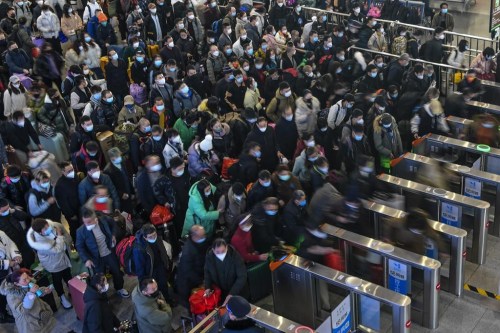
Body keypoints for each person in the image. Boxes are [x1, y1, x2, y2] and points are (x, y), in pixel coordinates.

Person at [76, 207, 130, 298]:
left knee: (117, 271)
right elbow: (79, 247)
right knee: (100, 277)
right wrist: (86, 259)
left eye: (89, 222)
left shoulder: (104, 220)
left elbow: (114, 225)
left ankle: (119, 288)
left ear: (95, 219)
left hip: (109, 252)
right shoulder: (80, 231)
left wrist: (113, 235)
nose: (86, 224)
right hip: (95, 258)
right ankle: (103, 296)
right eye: (85, 222)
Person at [26, 218, 73, 310]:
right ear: (40, 232)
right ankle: (62, 297)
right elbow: (57, 249)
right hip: (53, 264)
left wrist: (66, 240)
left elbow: (65, 235)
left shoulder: (53, 226)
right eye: (45, 228)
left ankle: (72, 291)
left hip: (63, 258)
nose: (48, 228)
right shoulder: (40, 244)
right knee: (57, 280)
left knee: (68, 275)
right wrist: (59, 236)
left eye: (47, 225)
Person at [0, 268, 56, 333]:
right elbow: (22, 310)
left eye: (27, 277)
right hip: (29, 323)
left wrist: (44, 290)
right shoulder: (11, 296)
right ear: (16, 283)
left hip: (40, 314)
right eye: (24, 280)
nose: (28, 280)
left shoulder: (26, 284)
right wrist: (31, 293)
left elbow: (36, 293)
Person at [133, 224, 171, 303]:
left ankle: (168, 300)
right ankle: (159, 303)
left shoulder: (157, 238)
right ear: (144, 237)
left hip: (160, 265)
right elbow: (139, 267)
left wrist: (167, 262)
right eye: (150, 237)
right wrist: (143, 281)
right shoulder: (138, 248)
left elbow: (162, 250)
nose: (154, 238)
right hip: (150, 272)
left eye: (154, 235)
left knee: (164, 284)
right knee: (154, 289)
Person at [204, 238, 247, 304]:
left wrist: (232, 293)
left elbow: (242, 276)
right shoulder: (210, 258)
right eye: (217, 252)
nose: (221, 254)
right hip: (221, 293)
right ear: (213, 250)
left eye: (223, 251)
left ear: (226, 247)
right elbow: (207, 272)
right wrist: (207, 287)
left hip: (237, 291)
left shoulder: (235, 256)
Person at [176, 225, 209, 309]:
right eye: (202, 236)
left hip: (197, 276)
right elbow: (188, 271)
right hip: (188, 284)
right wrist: (201, 281)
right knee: (193, 306)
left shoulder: (198, 243)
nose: (204, 237)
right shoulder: (188, 251)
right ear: (194, 236)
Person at [0, 229, 19, 323]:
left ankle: (16, 308)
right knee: (1, 297)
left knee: (12, 289)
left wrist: (16, 255)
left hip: (9, 270)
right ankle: (2, 315)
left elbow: (10, 244)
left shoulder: (1, 233)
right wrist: (7, 263)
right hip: (1, 273)